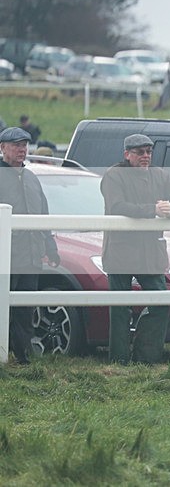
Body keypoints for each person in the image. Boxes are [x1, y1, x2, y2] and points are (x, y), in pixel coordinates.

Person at [101, 134, 170, 364]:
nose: (146, 156)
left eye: (149, 152)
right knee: (120, 309)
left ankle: (146, 357)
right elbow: (117, 206)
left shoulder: (161, 175)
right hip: (121, 251)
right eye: (140, 152)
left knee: (160, 302)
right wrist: (153, 210)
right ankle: (119, 360)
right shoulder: (113, 175)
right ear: (127, 154)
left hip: (151, 252)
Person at [0, 127, 60, 364]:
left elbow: (43, 215)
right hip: (5, 257)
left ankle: (22, 355)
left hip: (31, 256)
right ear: (3, 148)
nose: (22, 149)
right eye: (16, 145)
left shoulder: (32, 178)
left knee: (25, 309)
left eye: (24, 145)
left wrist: (50, 247)